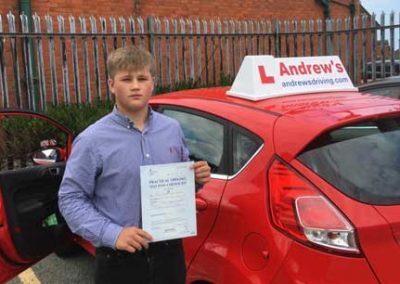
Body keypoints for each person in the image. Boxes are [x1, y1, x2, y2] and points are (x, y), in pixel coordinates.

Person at [58, 45, 211, 284]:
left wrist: (195, 179)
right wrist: (113, 234)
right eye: (126, 79)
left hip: (169, 255)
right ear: (111, 85)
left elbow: (178, 186)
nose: (136, 85)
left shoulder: (171, 129)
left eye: (142, 78)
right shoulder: (92, 140)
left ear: (153, 82)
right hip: (119, 260)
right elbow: (70, 198)